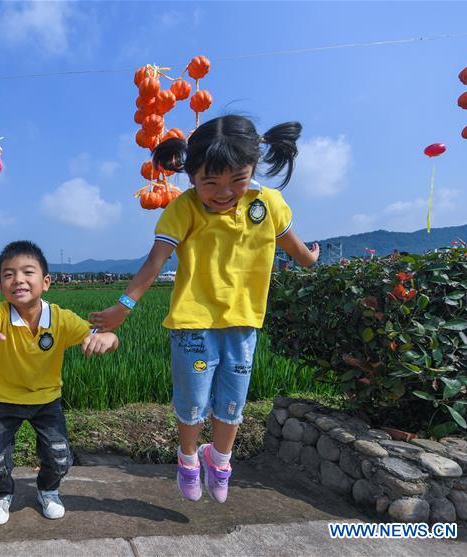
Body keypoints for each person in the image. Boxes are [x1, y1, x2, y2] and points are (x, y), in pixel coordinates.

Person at [89, 115, 319, 503]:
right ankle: (188, 458)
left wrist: (310, 259)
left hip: (243, 323)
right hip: (193, 325)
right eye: (210, 182)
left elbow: (293, 246)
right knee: (194, 400)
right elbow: (155, 261)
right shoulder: (184, 209)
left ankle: (221, 460)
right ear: (191, 174)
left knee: (233, 401)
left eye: (237, 180)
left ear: (252, 168)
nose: (224, 193)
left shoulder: (268, 204)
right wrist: (123, 307)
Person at [0, 241, 118, 525]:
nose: (18, 279)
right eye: (8, 274)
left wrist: (109, 338)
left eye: (27, 272)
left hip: (46, 400)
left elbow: (99, 334)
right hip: (1, 400)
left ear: (46, 282)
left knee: (59, 456)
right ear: (0, 285)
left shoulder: (61, 319)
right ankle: (1, 494)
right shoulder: (0, 312)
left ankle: (48, 489)